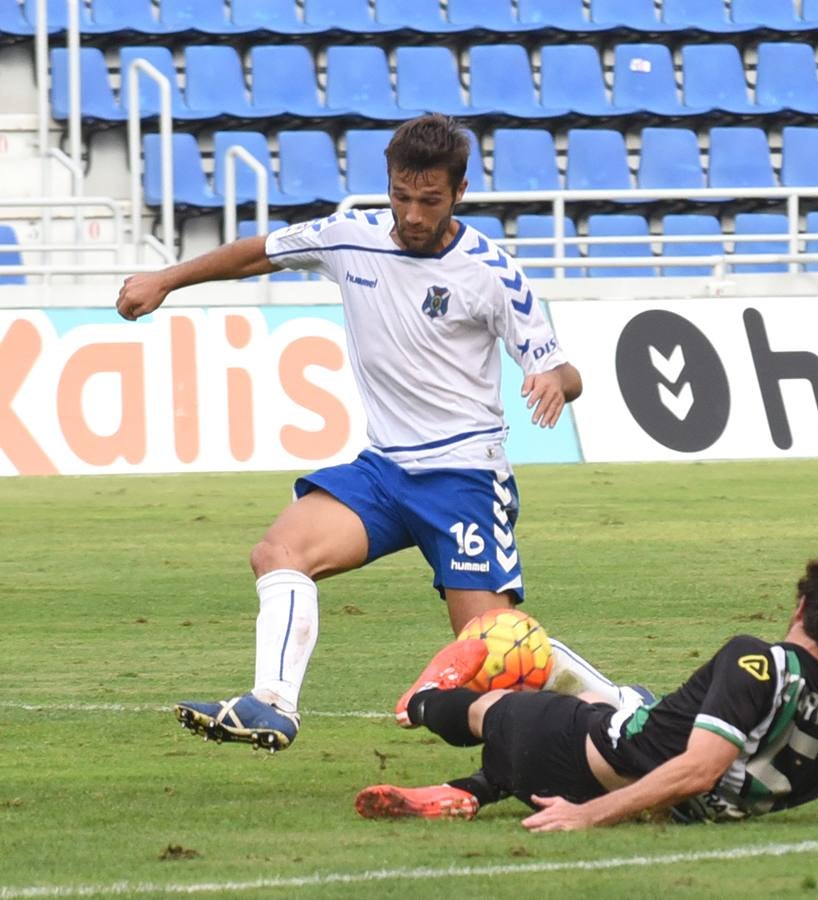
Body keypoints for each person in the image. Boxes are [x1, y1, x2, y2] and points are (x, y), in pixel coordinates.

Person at [114, 114, 583, 752]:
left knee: (493, 652)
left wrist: (556, 382)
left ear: (460, 192)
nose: (413, 215)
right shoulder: (349, 235)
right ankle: (271, 703)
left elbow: (560, 368)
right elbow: (261, 252)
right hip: (384, 472)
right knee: (279, 552)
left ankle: (615, 706)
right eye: (401, 195)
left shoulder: (491, 272)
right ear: (387, 182)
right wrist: (166, 279)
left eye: (430, 200)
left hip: (464, 479)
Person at [353, 552, 818, 828]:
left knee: (500, 694)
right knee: (624, 699)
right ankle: (468, 793)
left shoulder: (757, 659)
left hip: (573, 760)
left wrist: (588, 815)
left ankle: (420, 705)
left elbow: (699, 767)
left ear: (801, 609)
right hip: (661, 800)